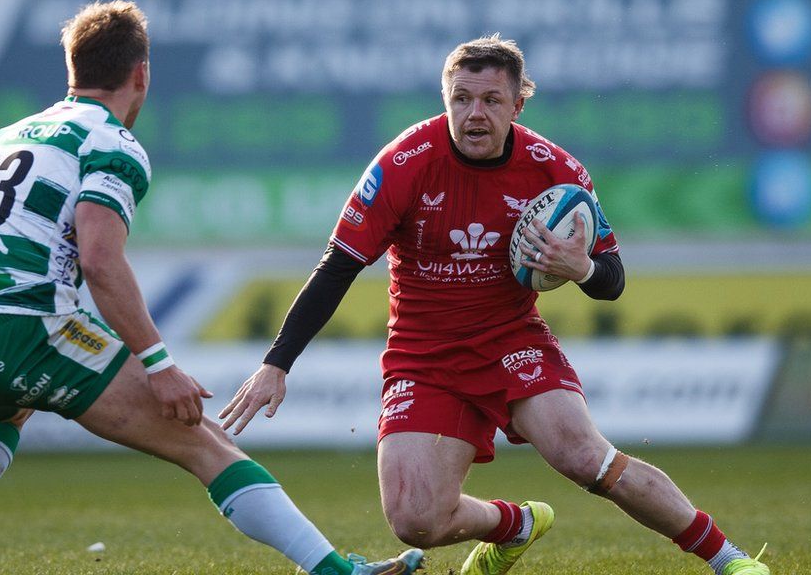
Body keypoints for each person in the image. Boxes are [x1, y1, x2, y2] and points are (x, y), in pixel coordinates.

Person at [221, 35, 770, 575]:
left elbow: (613, 280)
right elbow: (338, 265)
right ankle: (514, 526)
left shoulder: (555, 171)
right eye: (461, 99)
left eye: (490, 100)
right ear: (446, 100)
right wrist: (277, 362)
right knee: (415, 523)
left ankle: (730, 560)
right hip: (424, 355)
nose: (474, 114)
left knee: (585, 458)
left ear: (518, 104)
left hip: (512, 341)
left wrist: (579, 267)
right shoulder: (404, 163)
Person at [0, 2, 423, 575]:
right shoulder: (112, 142)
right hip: (23, 328)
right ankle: (333, 571)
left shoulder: (6, 136)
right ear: (142, 74)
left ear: (71, 70)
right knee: (205, 440)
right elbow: (100, 262)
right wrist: (158, 363)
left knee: (7, 406)